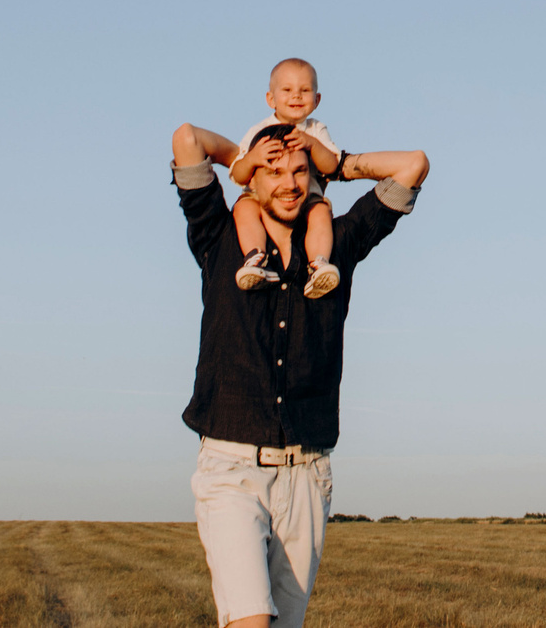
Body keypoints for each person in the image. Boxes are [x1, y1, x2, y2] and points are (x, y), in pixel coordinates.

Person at [170, 116, 429, 628]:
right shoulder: (218, 237)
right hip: (232, 469)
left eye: (298, 171)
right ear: (252, 182)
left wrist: (334, 161)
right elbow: (187, 139)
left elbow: (413, 166)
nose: (287, 183)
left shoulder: (336, 248)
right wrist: (243, 159)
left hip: (308, 475)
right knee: (251, 620)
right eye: (274, 172)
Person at [221, 58, 348, 297]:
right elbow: (238, 175)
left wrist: (313, 145)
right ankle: (254, 258)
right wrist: (253, 158)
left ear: (317, 100)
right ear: (271, 99)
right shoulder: (259, 131)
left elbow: (331, 165)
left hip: (306, 196)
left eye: (305, 90)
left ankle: (318, 264)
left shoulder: (315, 129)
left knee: (321, 212)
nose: (296, 97)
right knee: (243, 209)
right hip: (260, 196)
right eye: (287, 90)